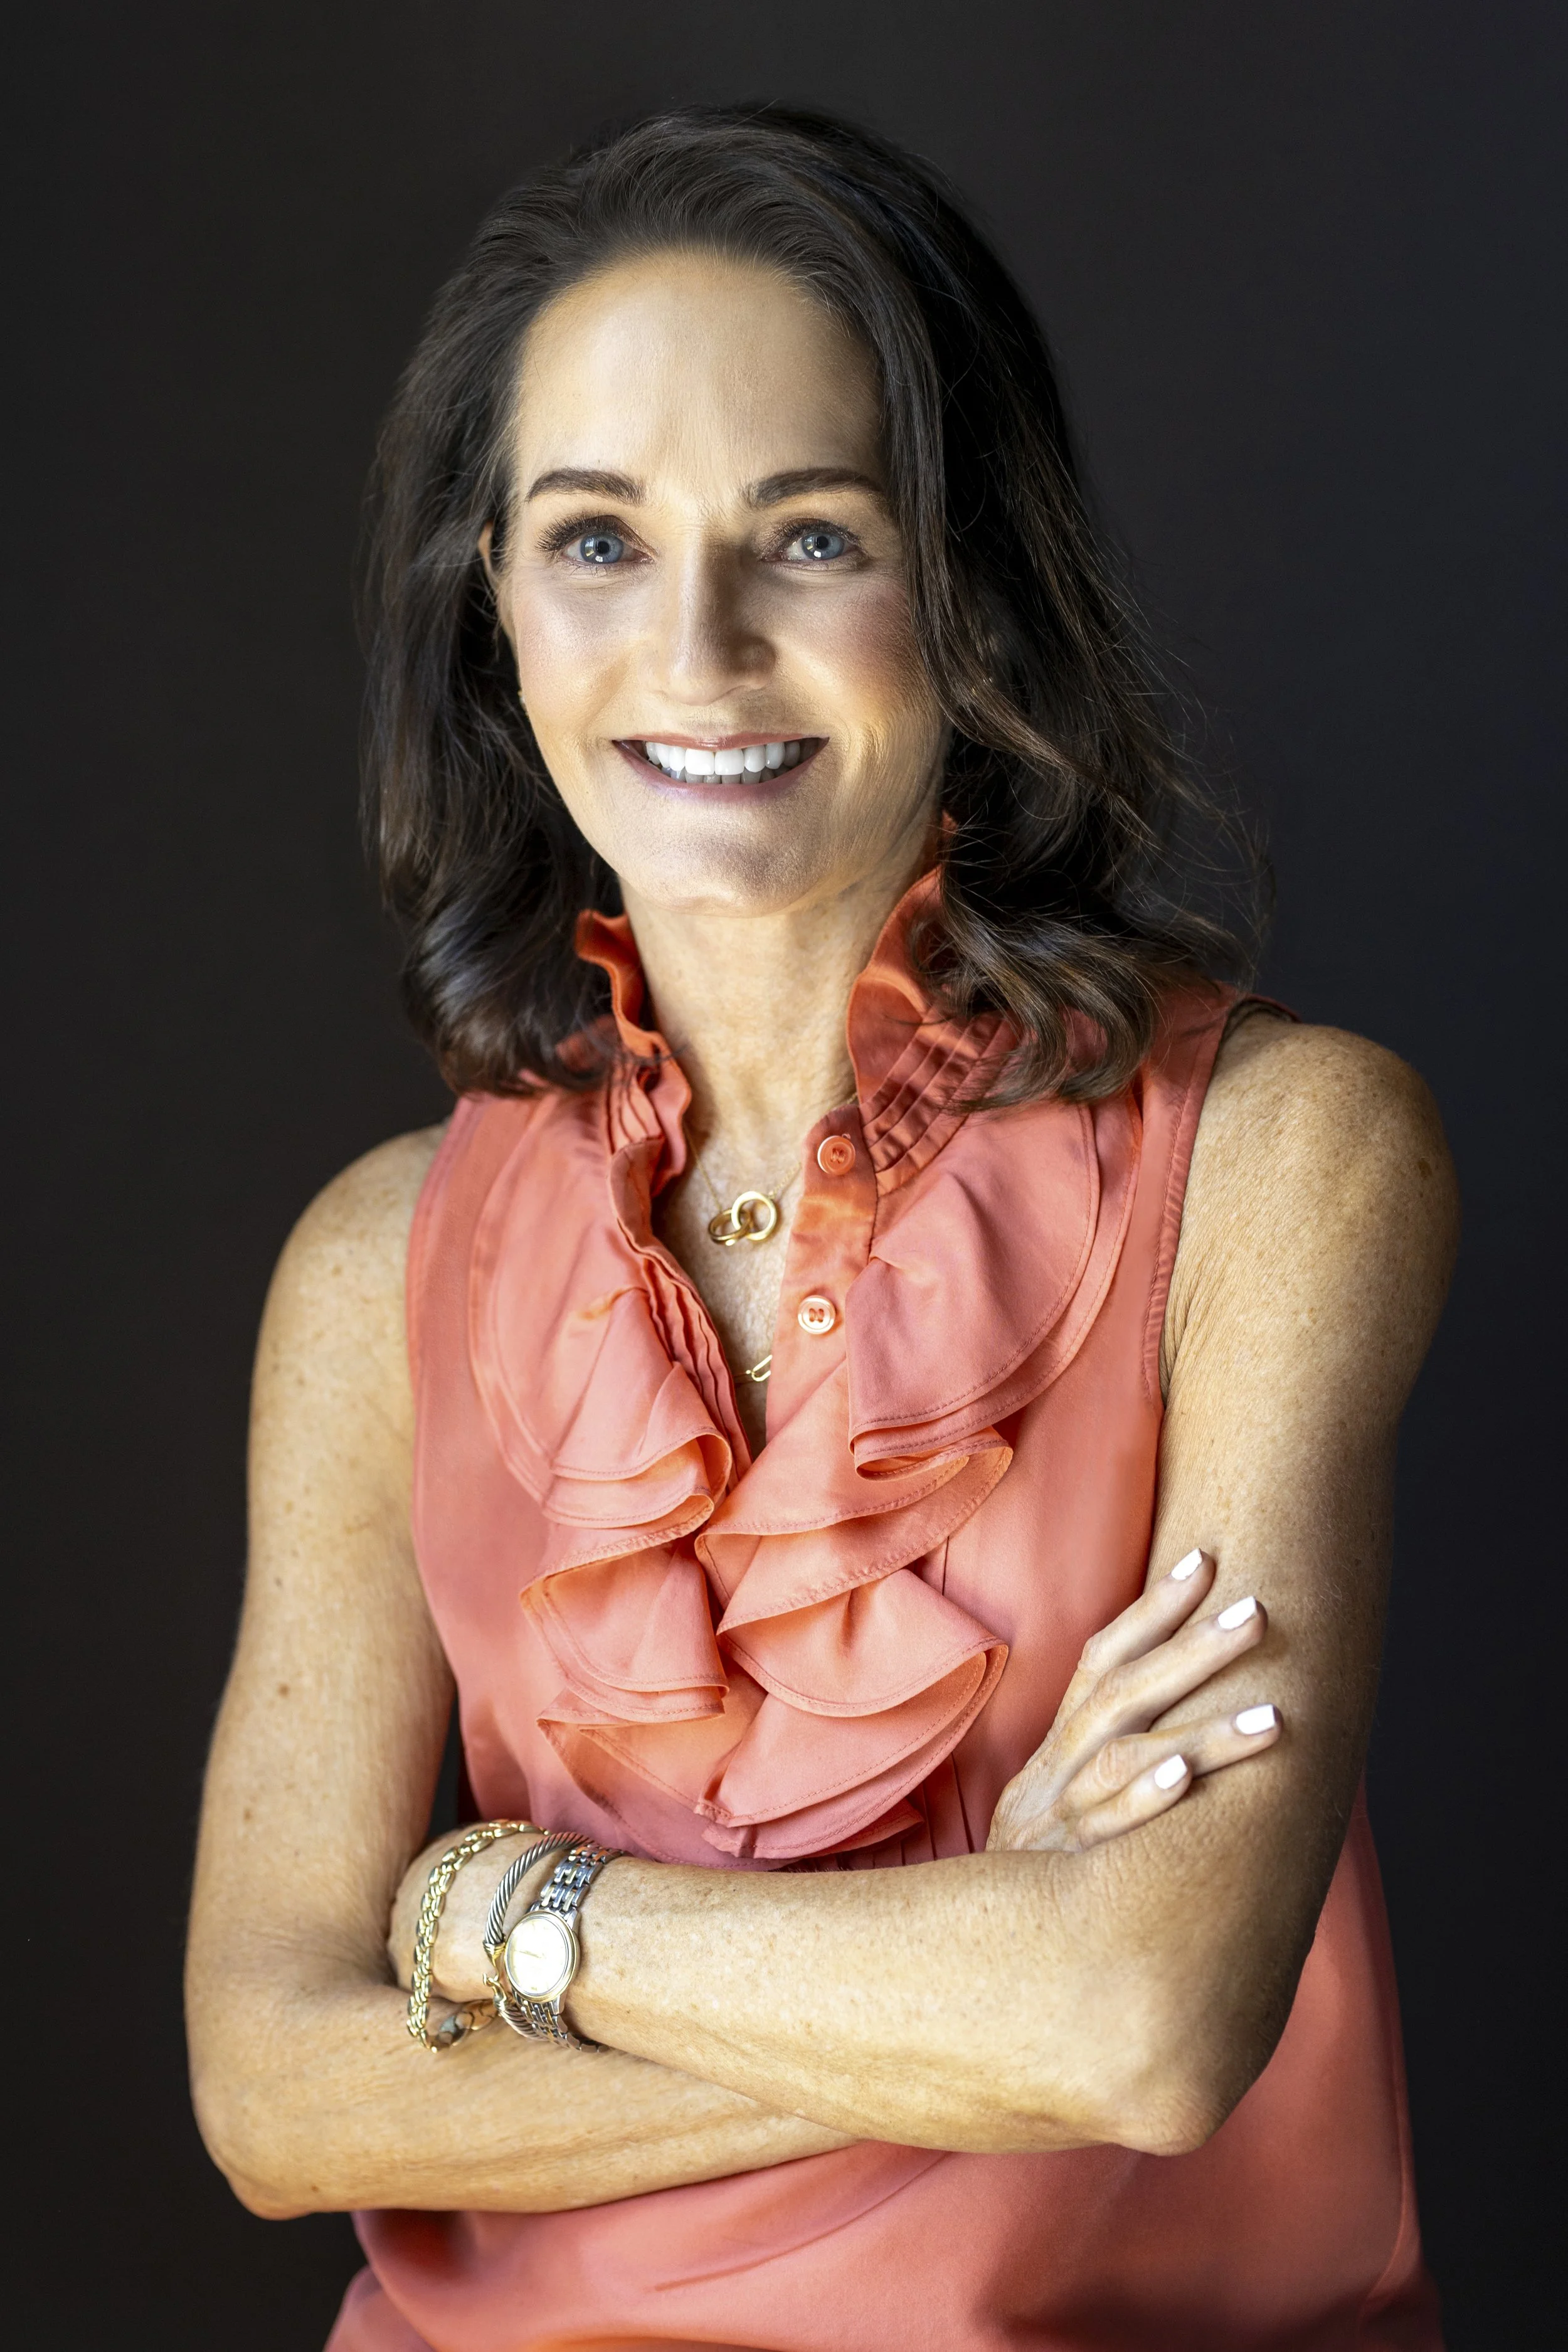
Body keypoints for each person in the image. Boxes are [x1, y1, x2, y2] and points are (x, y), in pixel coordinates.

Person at [186, 108, 1458, 2351]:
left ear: (967, 589)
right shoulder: (369, 1267)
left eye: (809, 535)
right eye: (595, 538)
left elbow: (1145, 2020)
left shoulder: (1282, 1159)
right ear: (489, 597)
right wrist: (986, 1940)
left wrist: (500, 1916)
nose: (694, 645)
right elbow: (279, 2095)